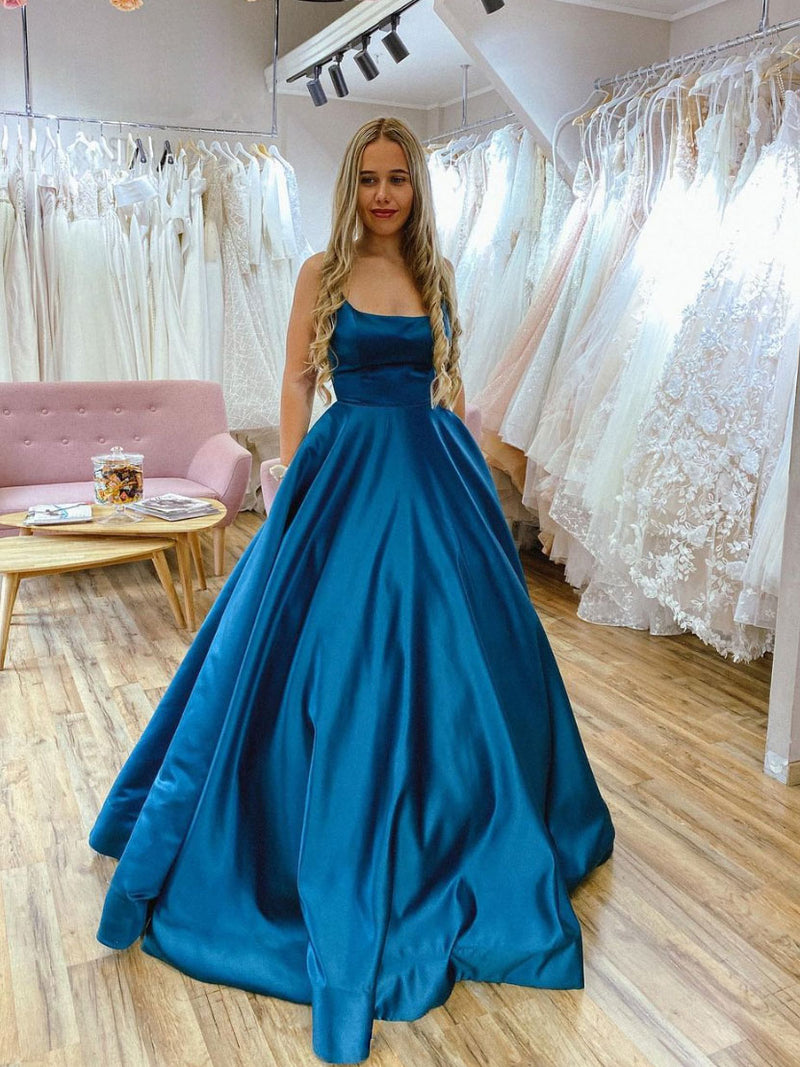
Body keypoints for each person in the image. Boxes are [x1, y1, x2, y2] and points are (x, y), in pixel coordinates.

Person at [89, 117, 614, 1065]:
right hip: (344, 472)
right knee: (315, 656)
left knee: (464, 656)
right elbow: (298, 383)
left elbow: (449, 386)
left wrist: (472, 473)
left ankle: (465, 819)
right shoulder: (321, 271)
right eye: (369, 179)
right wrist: (291, 475)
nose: (382, 195)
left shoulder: (435, 271)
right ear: (351, 186)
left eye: (397, 179)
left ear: (415, 187)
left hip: (431, 466)